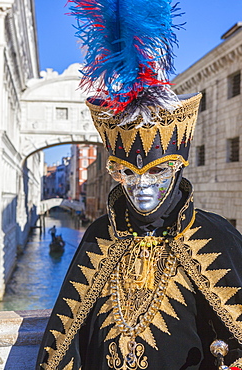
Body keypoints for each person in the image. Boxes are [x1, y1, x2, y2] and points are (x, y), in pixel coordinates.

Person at [36, 1, 242, 369]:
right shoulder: (100, 235)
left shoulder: (215, 237)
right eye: (127, 173)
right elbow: (66, 342)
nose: (141, 186)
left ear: (177, 168)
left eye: (156, 173)